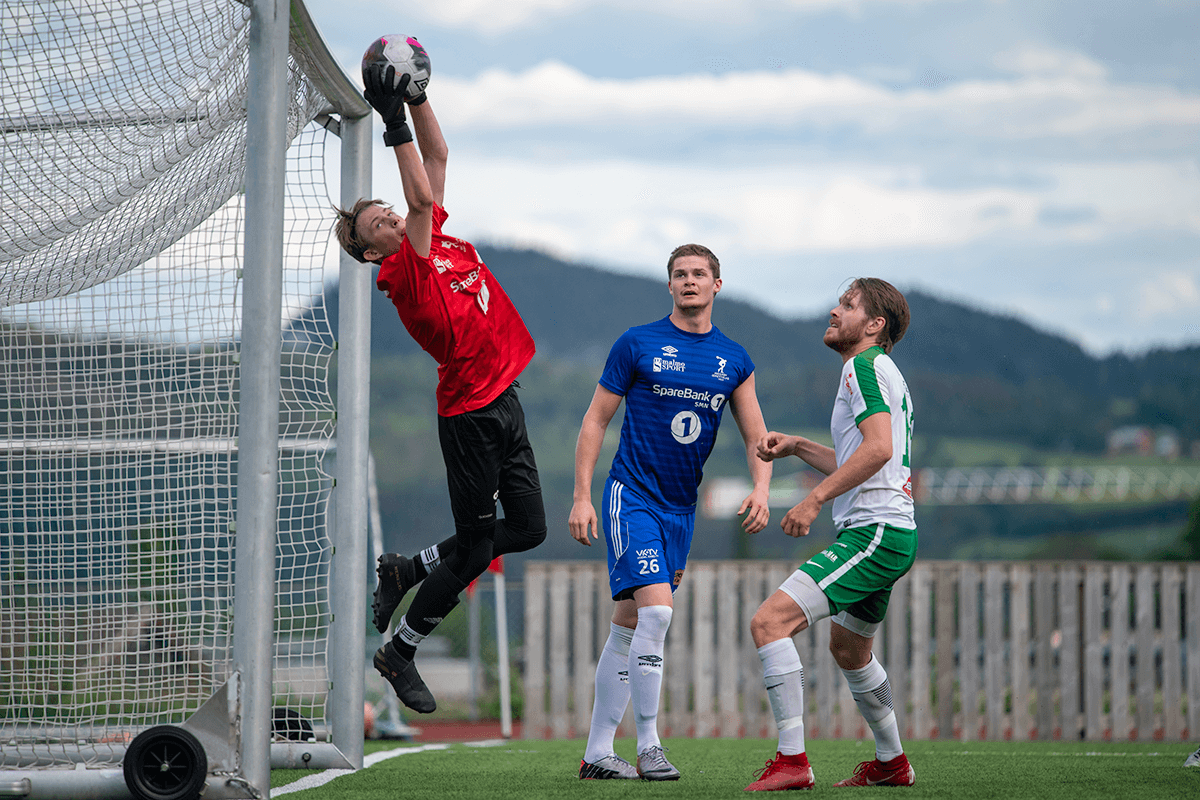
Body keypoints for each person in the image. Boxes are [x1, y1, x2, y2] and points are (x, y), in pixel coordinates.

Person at [333, 49, 546, 714]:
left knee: (531, 528)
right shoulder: (407, 272)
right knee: (479, 547)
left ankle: (408, 568)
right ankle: (400, 652)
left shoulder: (439, 241)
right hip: (469, 415)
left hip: (504, 398)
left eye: (386, 214)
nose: (391, 218)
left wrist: (419, 95)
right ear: (372, 252)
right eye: (377, 225)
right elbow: (421, 193)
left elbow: (440, 160)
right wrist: (392, 117)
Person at [569, 244, 772, 781]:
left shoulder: (735, 359)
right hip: (630, 495)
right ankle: (650, 745)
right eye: (679, 274)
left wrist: (762, 487)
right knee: (657, 614)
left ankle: (596, 755)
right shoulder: (636, 343)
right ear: (670, 286)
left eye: (699, 274)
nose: (689, 282)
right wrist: (582, 496)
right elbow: (595, 421)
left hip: (681, 510)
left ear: (716, 285)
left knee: (631, 623)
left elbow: (758, 436)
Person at [744, 278, 916, 791]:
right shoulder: (885, 372)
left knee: (768, 623)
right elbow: (860, 457)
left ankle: (792, 760)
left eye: (848, 305)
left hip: (873, 532)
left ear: (874, 325)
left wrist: (815, 498)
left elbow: (878, 449)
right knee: (849, 650)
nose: (835, 311)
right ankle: (892, 763)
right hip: (892, 531)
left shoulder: (861, 367)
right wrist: (798, 446)